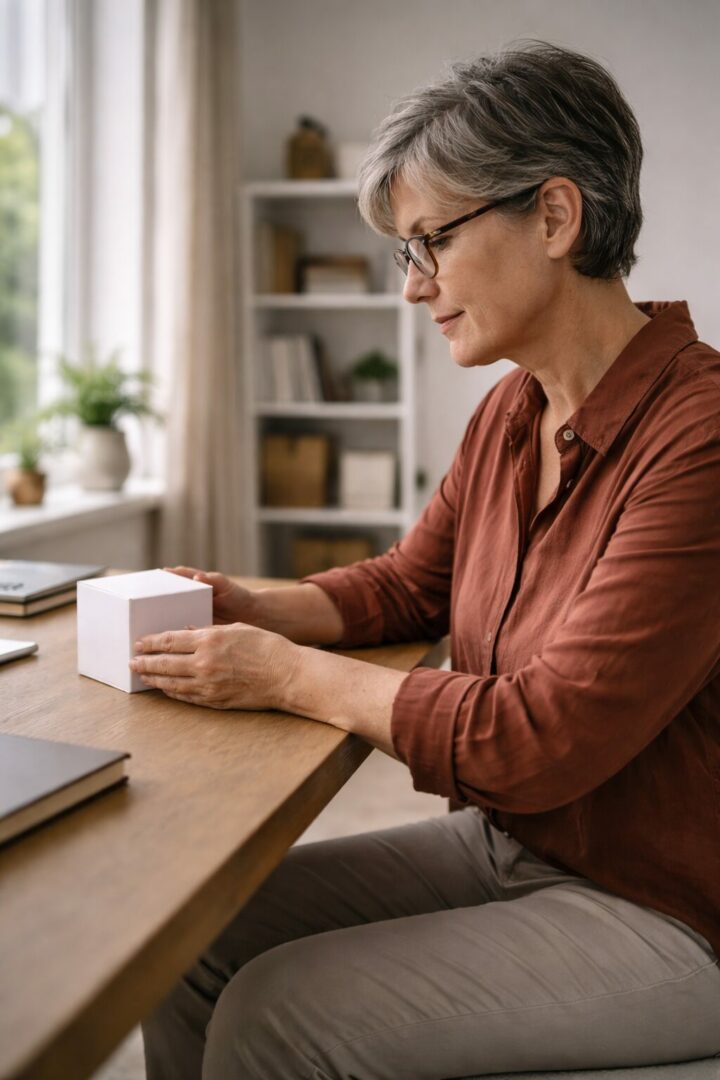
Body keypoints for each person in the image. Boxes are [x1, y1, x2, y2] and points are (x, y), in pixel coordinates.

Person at [138, 41, 720, 1079]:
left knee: (277, 1016)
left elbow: (544, 735)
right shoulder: (513, 410)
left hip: (671, 905)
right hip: (520, 845)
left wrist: (288, 675)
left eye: (429, 244)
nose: (414, 289)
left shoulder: (702, 437)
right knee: (182, 939)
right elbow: (414, 582)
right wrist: (251, 604)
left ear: (553, 216)